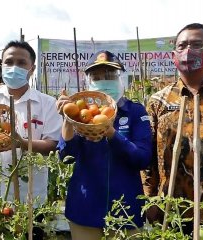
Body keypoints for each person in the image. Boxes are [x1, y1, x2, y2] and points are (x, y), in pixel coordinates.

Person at [0, 40, 62, 238]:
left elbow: (53, 145)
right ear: (2, 66)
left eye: (21, 63)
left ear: (31, 69)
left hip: (31, 197)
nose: (14, 67)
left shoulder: (47, 104)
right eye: (9, 62)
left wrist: (22, 144)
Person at [56, 50, 152, 240]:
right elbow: (66, 156)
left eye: (109, 75)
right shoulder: (81, 114)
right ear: (88, 82)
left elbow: (142, 158)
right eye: (97, 77)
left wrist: (112, 134)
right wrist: (68, 120)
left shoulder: (134, 111)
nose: (103, 81)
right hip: (84, 210)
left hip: (126, 213)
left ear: (120, 79)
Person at [142, 23, 203, 235]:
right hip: (170, 210)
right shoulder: (159, 101)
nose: (188, 51)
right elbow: (148, 155)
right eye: (182, 46)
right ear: (174, 55)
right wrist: (149, 198)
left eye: (197, 45)